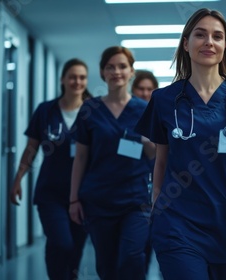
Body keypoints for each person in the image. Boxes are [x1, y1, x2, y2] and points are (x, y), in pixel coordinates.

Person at [135, 8, 226, 280]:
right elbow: (161, 160)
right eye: (200, 35)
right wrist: (156, 209)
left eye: (217, 36)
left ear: (225, 47)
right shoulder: (164, 100)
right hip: (177, 222)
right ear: (186, 44)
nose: (209, 41)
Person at [68, 46, 156, 280]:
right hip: (99, 199)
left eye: (122, 66)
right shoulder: (90, 109)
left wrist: (148, 142)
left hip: (135, 199)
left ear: (131, 72)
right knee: (106, 265)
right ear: (102, 72)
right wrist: (74, 198)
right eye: (110, 67)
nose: (116, 71)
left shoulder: (145, 109)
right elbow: (81, 157)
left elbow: (156, 156)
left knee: (132, 256)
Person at [10, 58, 91, 280]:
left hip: (84, 194)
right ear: (63, 79)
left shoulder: (94, 110)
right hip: (51, 193)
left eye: (82, 77)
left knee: (75, 248)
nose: (77, 81)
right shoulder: (46, 110)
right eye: (72, 76)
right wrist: (18, 179)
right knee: (61, 243)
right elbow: (31, 149)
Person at [131, 69, 159, 275]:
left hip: (162, 190)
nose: (145, 93)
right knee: (138, 248)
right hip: (134, 190)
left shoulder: (164, 115)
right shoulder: (128, 115)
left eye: (150, 89)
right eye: (140, 88)